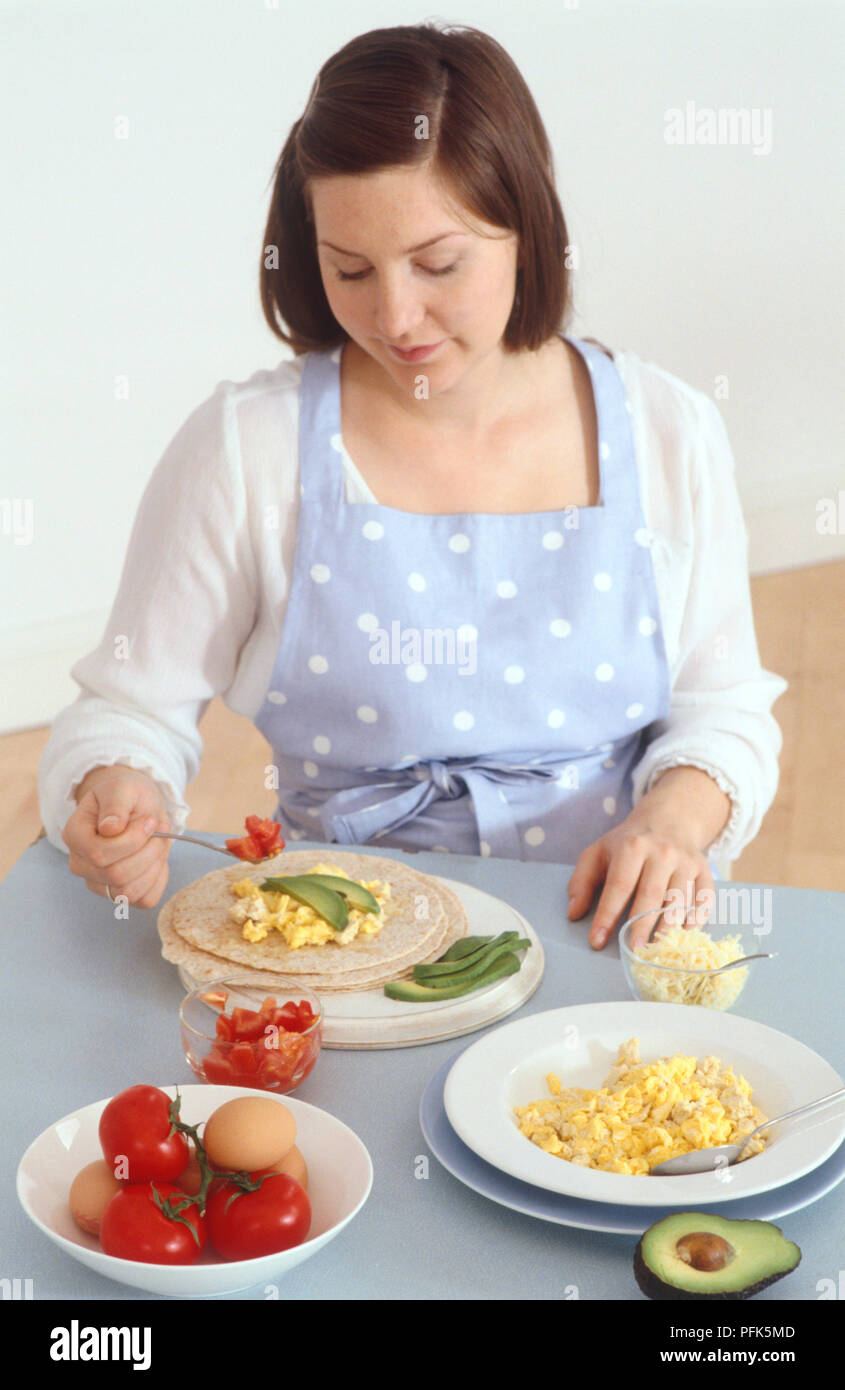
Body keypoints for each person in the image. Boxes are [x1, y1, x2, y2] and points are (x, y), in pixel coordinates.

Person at [39, 22, 787, 950]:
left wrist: (672, 822)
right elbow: (126, 709)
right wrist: (120, 787)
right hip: (346, 955)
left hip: (609, 934)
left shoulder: (665, 428)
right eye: (348, 268)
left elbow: (723, 711)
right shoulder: (248, 448)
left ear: (525, 228)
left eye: (438, 264)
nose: (392, 317)